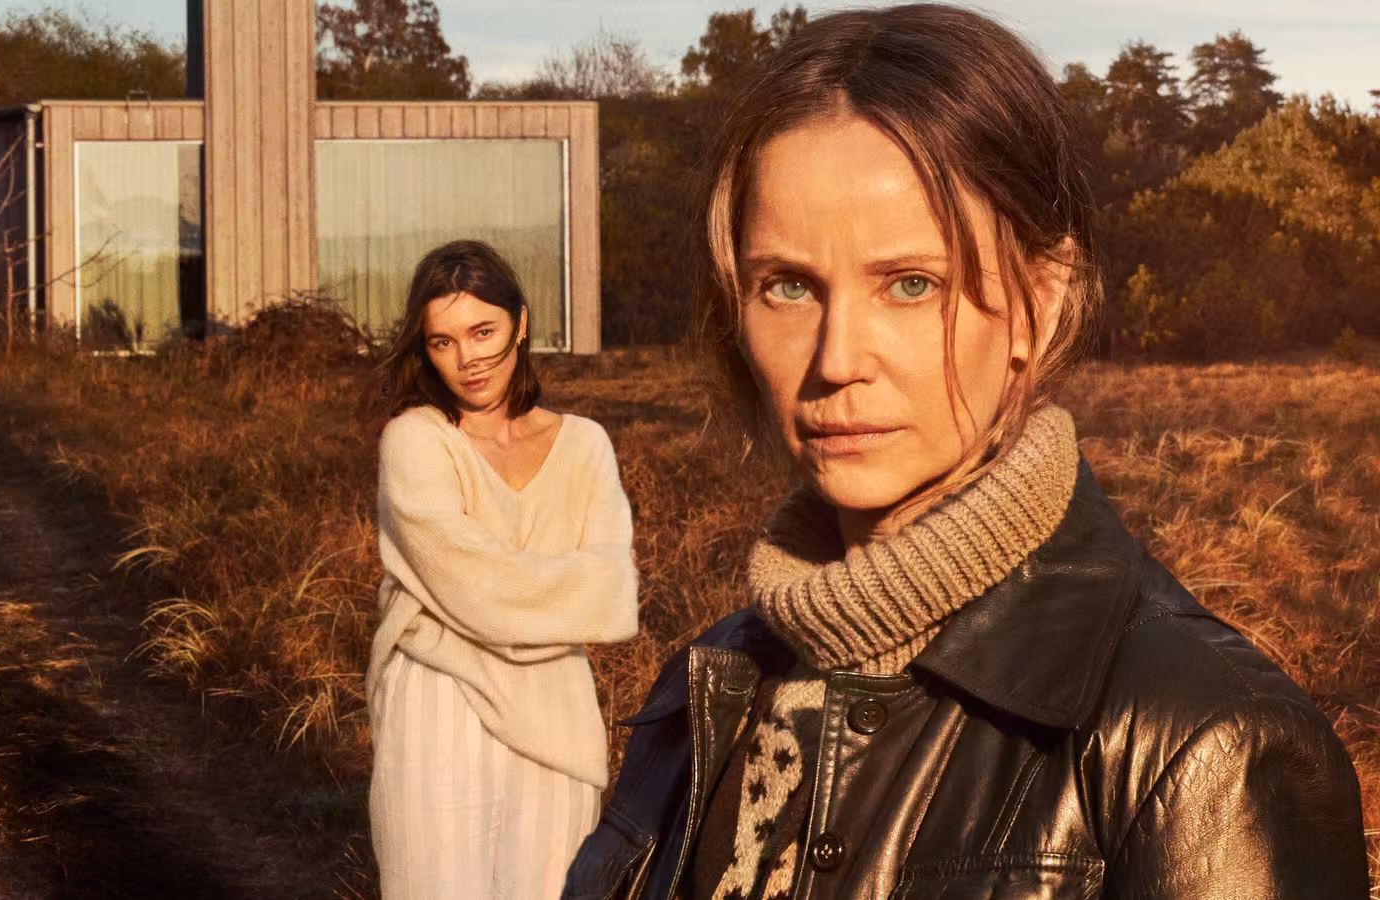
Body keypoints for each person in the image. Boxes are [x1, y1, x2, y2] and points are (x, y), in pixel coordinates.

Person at [563, 6, 1368, 899]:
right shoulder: (705, 689)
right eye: (787, 286)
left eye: (912, 284)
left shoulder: (1202, 745)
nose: (835, 360)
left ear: (1040, 304)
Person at [365, 239, 640, 899]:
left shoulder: (585, 444)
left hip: (556, 718)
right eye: (443, 341)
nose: (467, 360)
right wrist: (561, 595)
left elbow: (613, 594)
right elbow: (479, 591)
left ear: (520, 323)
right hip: (440, 702)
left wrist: (503, 595)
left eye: (482, 331)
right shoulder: (416, 440)